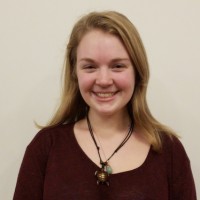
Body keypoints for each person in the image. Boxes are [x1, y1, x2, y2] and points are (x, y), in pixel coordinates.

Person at [13, 11, 196, 200]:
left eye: (117, 66)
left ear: (138, 71)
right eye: (90, 67)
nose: (103, 80)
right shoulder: (46, 147)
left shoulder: (169, 151)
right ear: (75, 73)